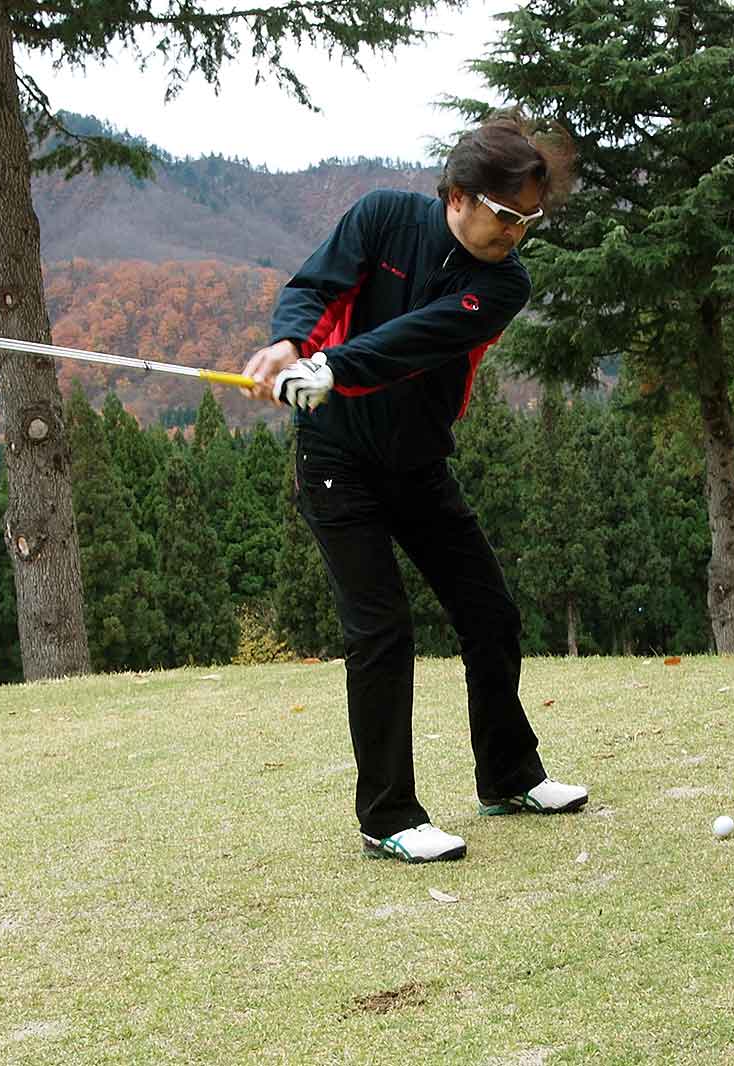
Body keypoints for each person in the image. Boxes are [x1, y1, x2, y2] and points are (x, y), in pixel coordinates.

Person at [241, 112, 588, 864]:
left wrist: (332, 367)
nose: (516, 233)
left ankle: (509, 776)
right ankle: (389, 815)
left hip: (418, 464)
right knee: (381, 630)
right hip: (336, 460)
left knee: (490, 614)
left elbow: (419, 338)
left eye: (529, 221)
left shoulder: (502, 283)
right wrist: (290, 344)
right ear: (457, 195)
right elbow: (316, 285)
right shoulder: (382, 217)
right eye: (505, 215)